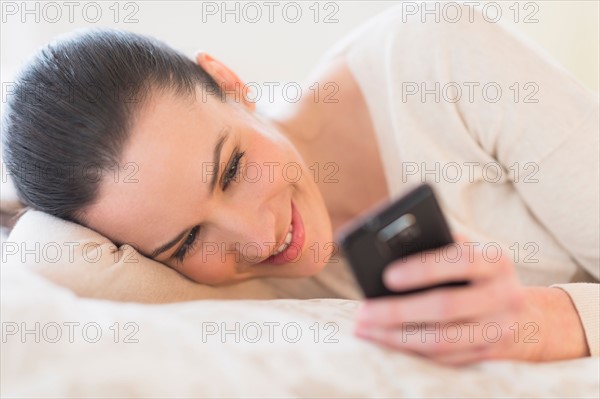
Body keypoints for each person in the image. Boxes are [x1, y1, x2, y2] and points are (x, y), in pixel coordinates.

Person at [3, 5, 598, 365]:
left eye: (231, 170)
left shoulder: (441, 57)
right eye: (187, 242)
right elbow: (49, 259)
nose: (258, 237)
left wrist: (543, 322)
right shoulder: (205, 292)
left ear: (227, 80)